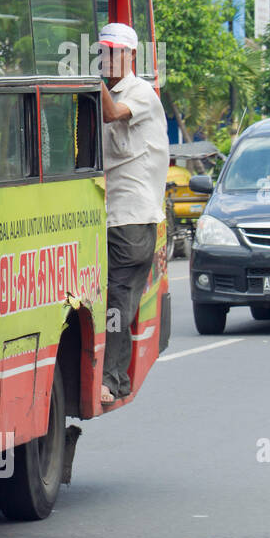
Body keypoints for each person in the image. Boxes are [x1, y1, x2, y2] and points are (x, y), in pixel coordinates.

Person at [97, 21, 169, 404]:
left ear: (131, 56)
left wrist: (89, 81)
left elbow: (111, 114)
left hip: (133, 221)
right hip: (106, 216)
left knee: (117, 300)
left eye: (114, 52)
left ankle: (112, 379)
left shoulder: (140, 93)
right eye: (102, 52)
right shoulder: (105, 90)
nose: (108, 60)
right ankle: (109, 376)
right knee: (104, 299)